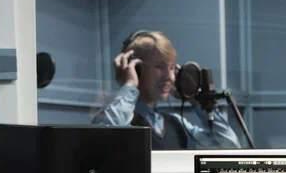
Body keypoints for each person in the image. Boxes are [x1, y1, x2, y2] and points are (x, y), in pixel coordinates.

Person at [92, 30, 242, 149]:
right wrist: (130, 85)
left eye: (171, 68)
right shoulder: (120, 119)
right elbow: (98, 140)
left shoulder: (177, 124)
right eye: (159, 67)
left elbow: (229, 146)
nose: (169, 77)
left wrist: (196, 101)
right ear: (136, 69)